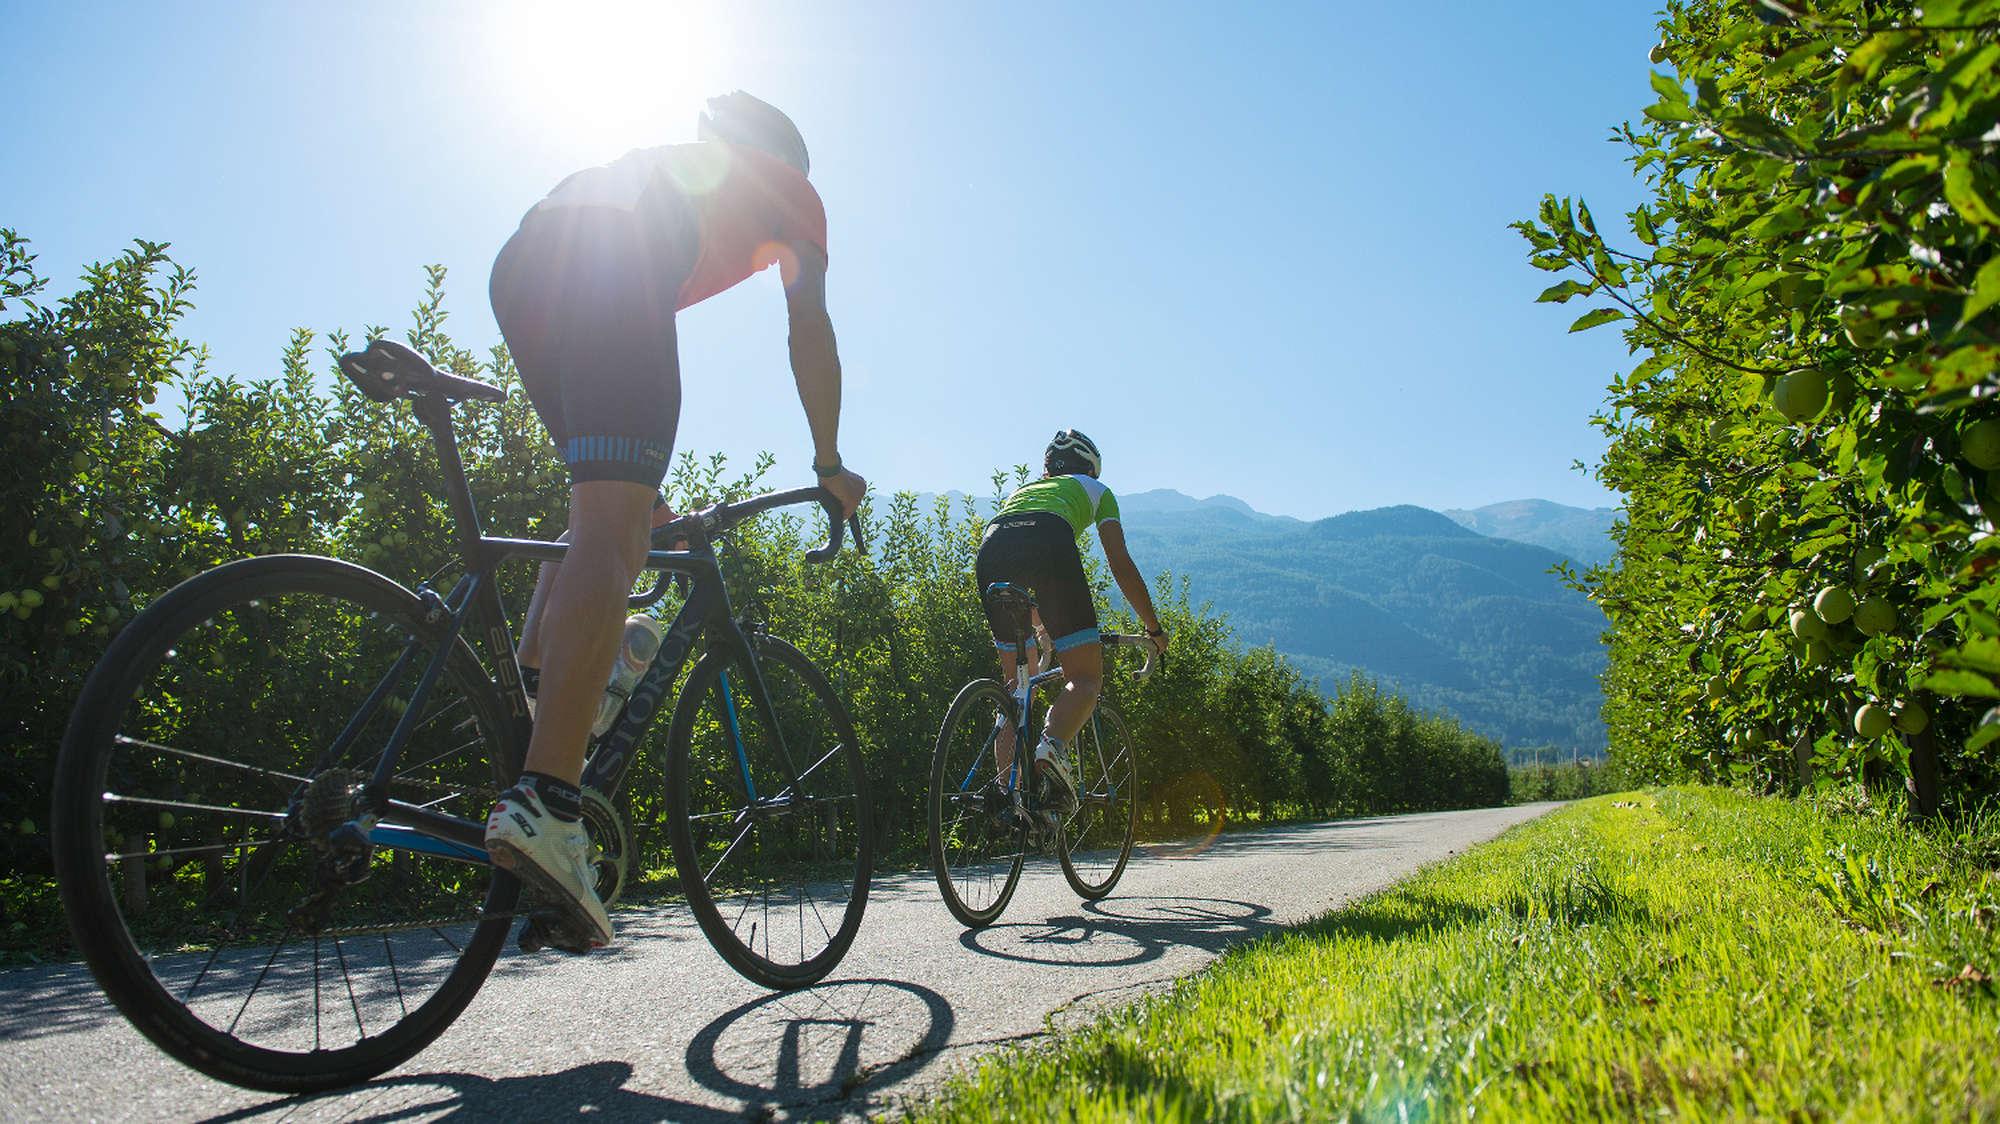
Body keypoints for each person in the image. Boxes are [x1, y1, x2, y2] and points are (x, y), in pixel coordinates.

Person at [482, 92, 865, 950]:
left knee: (602, 514)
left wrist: (652, 507)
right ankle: (547, 800)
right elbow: (811, 324)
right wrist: (830, 465)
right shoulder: (791, 188)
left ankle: (537, 723)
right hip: (612, 271)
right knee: (613, 540)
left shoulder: (673, 170)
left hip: (525, 264)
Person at [976, 430, 1167, 819]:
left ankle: (1006, 794)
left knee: (1016, 688)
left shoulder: (1026, 491)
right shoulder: (1097, 490)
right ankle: (1053, 747)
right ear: (1091, 467)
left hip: (992, 546)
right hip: (1049, 543)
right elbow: (1119, 563)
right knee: (1085, 679)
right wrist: (1153, 628)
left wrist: (1042, 620)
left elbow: (1021, 558)